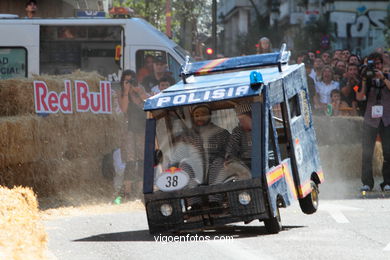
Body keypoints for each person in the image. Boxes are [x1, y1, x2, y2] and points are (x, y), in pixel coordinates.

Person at [356, 52, 390, 192]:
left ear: (382, 65)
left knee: (388, 151)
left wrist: (383, 78)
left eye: (379, 64)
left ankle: (387, 181)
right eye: (374, 65)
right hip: (370, 119)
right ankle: (367, 182)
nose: (377, 67)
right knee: (367, 152)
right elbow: (359, 96)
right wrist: (364, 80)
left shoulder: (387, 77)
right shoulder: (365, 79)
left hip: (386, 119)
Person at [118, 70, 150, 200]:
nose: (130, 83)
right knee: (131, 160)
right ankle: (127, 191)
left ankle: (141, 190)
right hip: (130, 129)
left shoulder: (140, 89)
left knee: (143, 160)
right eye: (127, 81)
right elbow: (124, 109)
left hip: (142, 128)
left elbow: (148, 102)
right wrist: (126, 92)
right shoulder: (121, 93)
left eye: (132, 80)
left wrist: (138, 91)